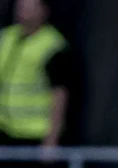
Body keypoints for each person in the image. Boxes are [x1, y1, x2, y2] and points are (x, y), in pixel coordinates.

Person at [0, 0, 70, 148]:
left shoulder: (52, 46)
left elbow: (59, 94)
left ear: (44, 11)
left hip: (34, 133)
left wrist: (52, 138)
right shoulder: (7, 36)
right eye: (21, 6)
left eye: (29, 7)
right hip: (4, 127)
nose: (23, 11)